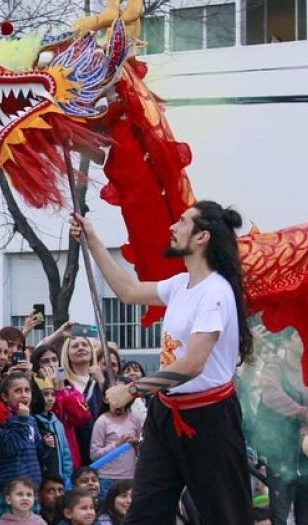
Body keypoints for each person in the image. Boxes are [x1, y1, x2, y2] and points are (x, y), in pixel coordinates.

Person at [71, 201, 254, 523]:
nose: (173, 227)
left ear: (202, 237)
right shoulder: (180, 285)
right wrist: (92, 240)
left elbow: (193, 363)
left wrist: (133, 390)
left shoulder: (216, 293)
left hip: (209, 418)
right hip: (165, 413)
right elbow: (127, 291)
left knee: (225, 516)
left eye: (182, 222)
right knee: (145, 513)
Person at [253, 331, 308, 525]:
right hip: (280, 452)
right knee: (279, 515)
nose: (302, 340)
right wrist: (305, 414)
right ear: (286, 342)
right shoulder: (275, 367)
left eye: (304, 336)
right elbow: (271, 395)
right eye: (297, 336)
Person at [0, 371, 48, 519]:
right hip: (9, 489)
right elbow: (9, 447)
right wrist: (22, 420)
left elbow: (36, 453)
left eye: (27, 390)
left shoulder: (31, 420)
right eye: (18, 391)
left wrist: (46, 446)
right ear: (5, 396)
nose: (24, 395)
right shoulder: (0, 420)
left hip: (30, 488)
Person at [32, 345, 91, 470]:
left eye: (54, 359)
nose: (51, 364)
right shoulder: (33, 390)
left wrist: (61, 390)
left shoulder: (69, 387)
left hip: (69, 457)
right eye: (45, 361)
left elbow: (82, 416)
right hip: (46, 459)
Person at [89, 381, 140, 501]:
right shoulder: (102, 421)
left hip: (129, 477)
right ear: (106, 399)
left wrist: (136, 444)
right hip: (107, 478)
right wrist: (117, 444)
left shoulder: (134, 419)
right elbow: (94, 455)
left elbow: (140, 452)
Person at [61, 335, 104, 465]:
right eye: (75, 346)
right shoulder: (63, 380)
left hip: (98, 444)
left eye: (84, 345)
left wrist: (102, 381)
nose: (81, 348)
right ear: (67, 354)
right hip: (73, 444)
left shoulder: (101, 379)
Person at [34, 376, 74, 486]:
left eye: (53, 394)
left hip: (60, 479)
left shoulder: (58, 423)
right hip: (43, 480)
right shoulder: (34, 422)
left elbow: (66, 453)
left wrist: (66, 476)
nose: (50, 398)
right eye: (45, 394)